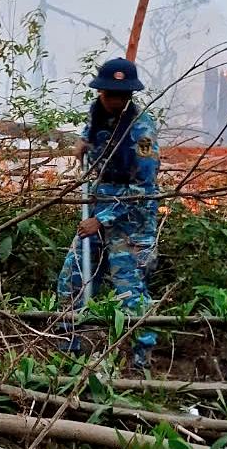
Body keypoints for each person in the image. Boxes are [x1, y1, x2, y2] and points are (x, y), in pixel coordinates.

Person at [56, 58, 160, 369]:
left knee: (130, 295)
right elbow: (90, 133)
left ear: (126, 96)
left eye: (114, 94)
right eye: (104, 92)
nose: (107, 98)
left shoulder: (142, 131)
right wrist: (83, 143)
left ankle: (141, 364)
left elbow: (146, 190)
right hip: (97, 213)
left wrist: (101, 219)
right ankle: (70, 355)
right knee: (70, 281)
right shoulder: (98, 111)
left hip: (130, 224)